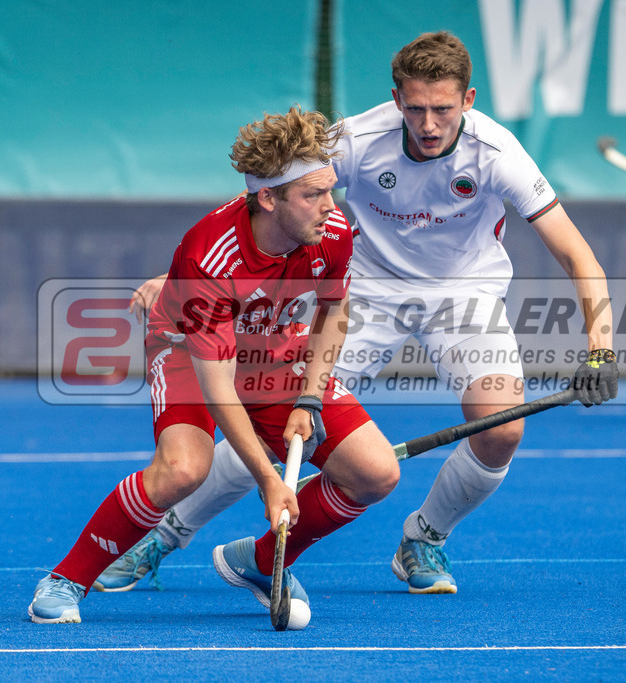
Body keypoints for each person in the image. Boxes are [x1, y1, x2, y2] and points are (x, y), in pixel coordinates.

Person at [98, 31, 619, 597]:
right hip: (365, 289)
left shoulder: (498, 153)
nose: (428, 124)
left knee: (503, 430)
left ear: (468, 100)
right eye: (414, 108)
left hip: (465, 295)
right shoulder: (358, 139)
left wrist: (602, 349)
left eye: (443, 109)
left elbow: (577, 254)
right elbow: (268, 198)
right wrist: (184, 276)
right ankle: (166, 534)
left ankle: (424, 537)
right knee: (284, 426)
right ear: (396, 98)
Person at [28, 106, 400, 625]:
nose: (330, 207)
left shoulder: (330, 230)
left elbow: (333, 310)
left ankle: (263, 561)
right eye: (313, 195)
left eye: (330, 191)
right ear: (268, 198)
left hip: (271, 345)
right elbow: (221, 390)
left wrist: (309, 399)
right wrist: (269, 481)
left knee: (376, 474)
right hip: (187, 350)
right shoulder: (211, 258)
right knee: (183, 470)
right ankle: (66, 579)